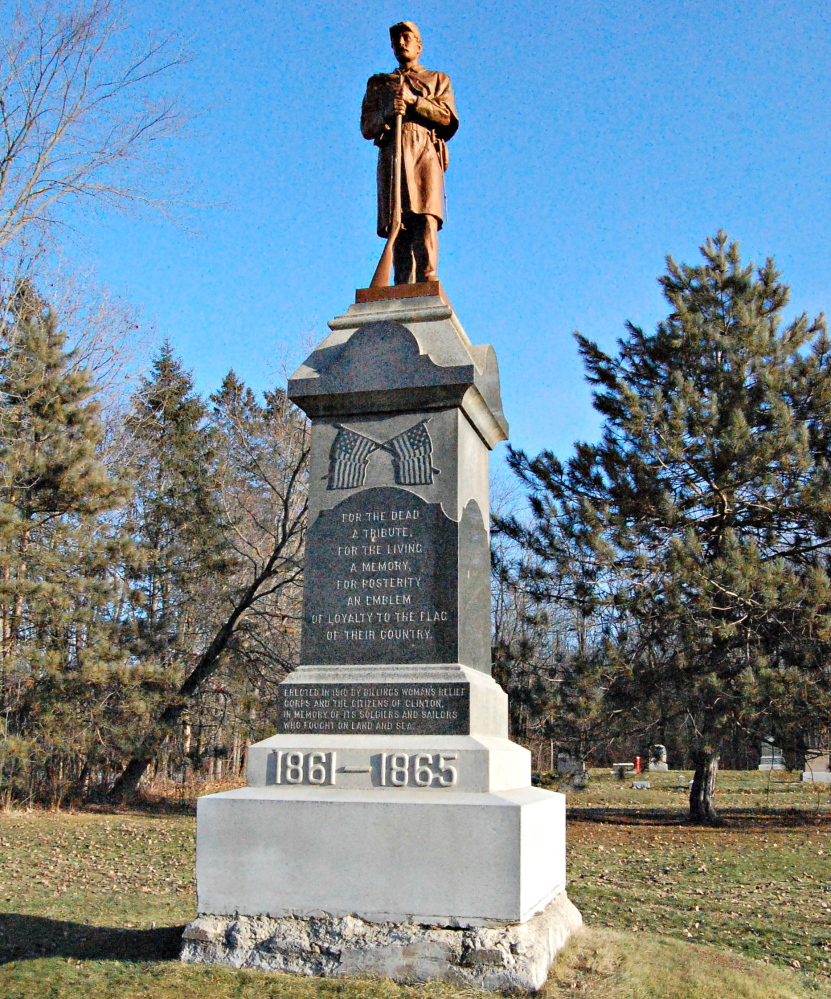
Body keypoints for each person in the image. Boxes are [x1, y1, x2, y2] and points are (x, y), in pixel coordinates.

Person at [361, 22, 458, 285]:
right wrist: (387, 112)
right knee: (398, 222)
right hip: (392, 152)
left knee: (425, 216)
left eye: (407, 37)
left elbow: (448, 118)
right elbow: (367, 127)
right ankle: (402, 283)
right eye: (396, 39)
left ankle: (428, 278)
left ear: (419, 45)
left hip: (424, 150)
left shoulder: (437, 79)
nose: (402, 43)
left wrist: (415, 101)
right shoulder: (379, 84)